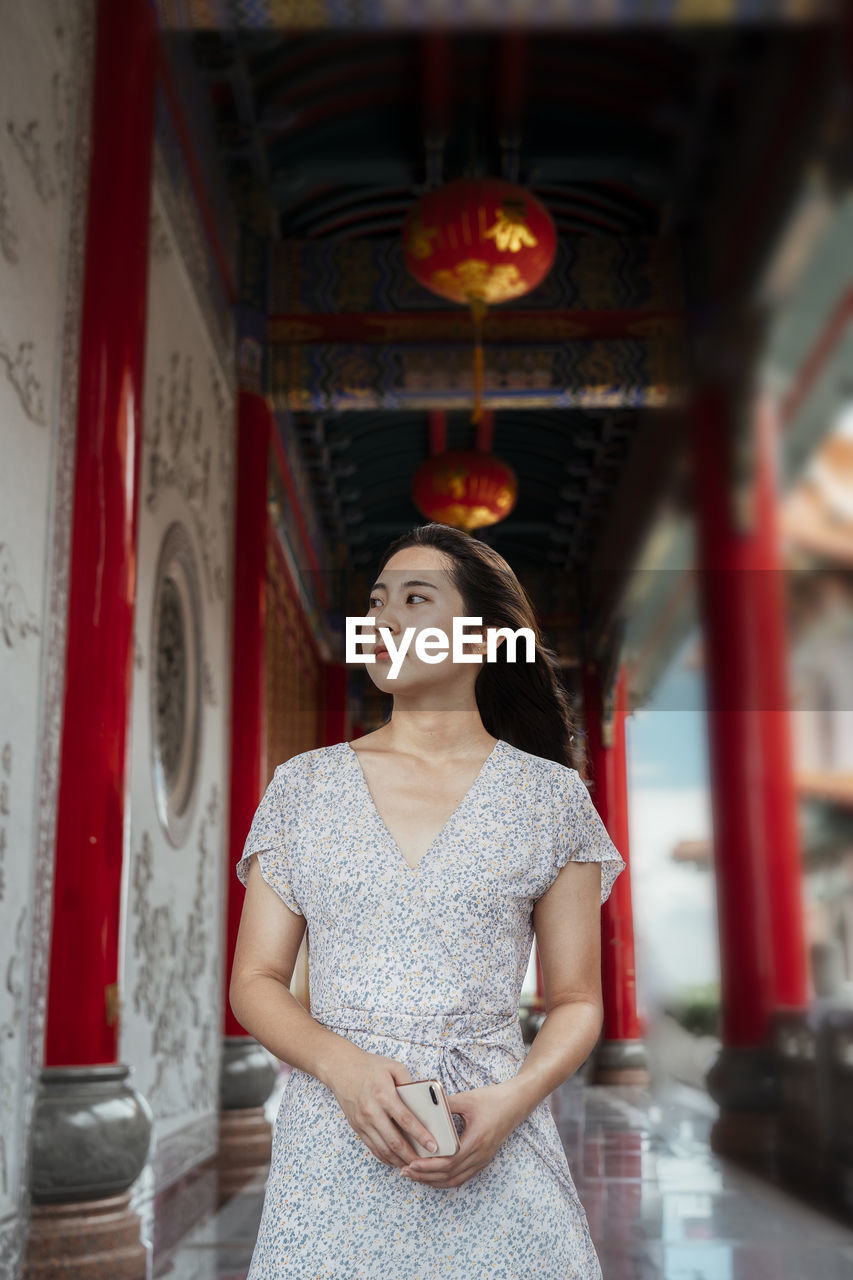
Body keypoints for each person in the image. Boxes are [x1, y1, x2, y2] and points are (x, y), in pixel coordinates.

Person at [230, 521, 627, 1279]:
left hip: (492, 1134)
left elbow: (575, 998)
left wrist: (511, 1103)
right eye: (376, 603)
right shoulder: (302, 787)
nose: (382, 620)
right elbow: (255, 983)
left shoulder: (550, 799)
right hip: (334, 1140)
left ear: (482, 641)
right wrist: (342, 1067)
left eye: (415, 599)